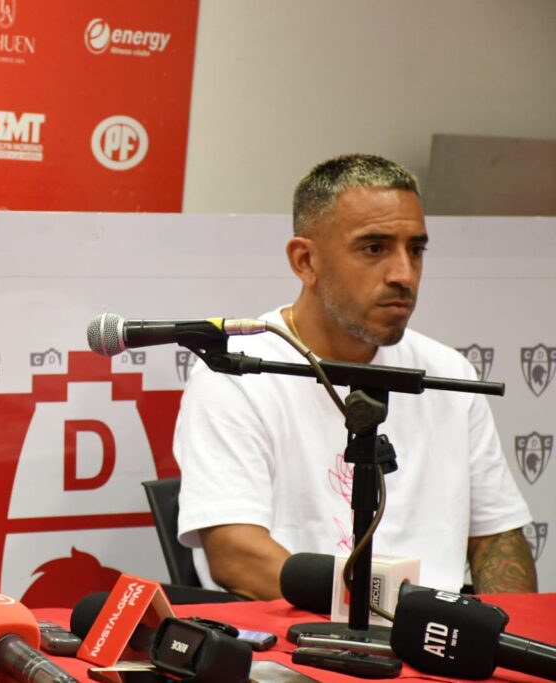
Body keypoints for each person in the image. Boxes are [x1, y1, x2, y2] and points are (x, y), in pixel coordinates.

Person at [173, 154, 536, 600]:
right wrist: (391, 614)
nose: (404, 274)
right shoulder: (236, 373)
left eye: (416, 250)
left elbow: (497, 538)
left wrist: (499, 636)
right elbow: (236, 556)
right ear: (305, 261)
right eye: (374, 248)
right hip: (294, 642)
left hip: (435, 640)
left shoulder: (448, 372)